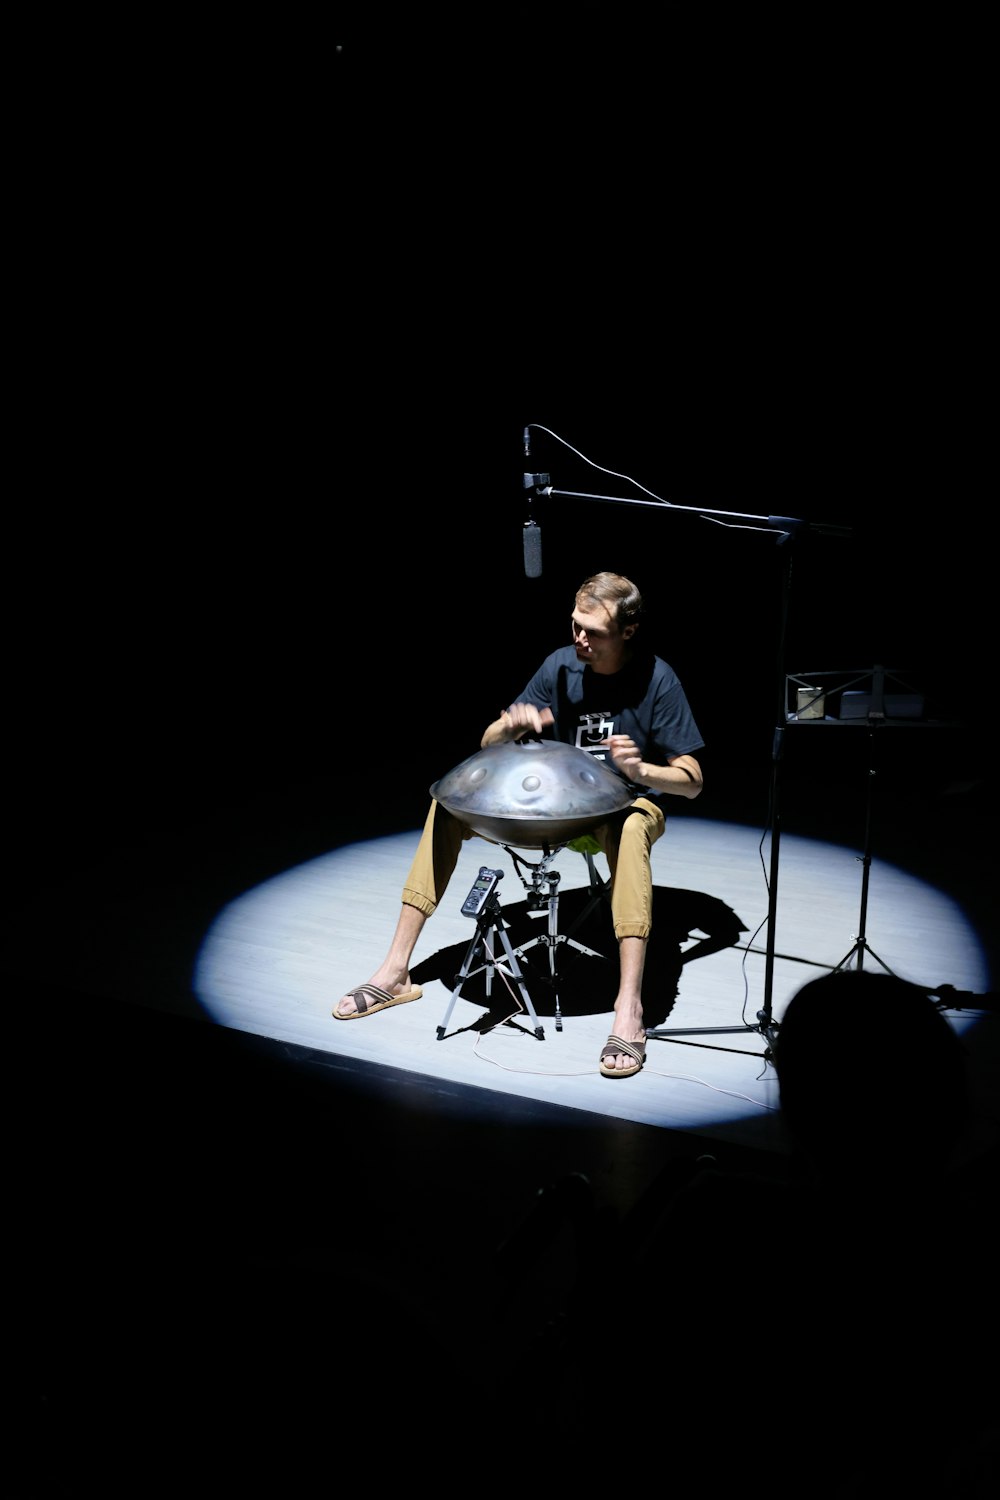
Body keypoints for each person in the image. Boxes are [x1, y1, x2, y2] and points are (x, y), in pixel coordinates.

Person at [335, 570, 705, 1077]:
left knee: (633, 827)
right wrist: (509, 724)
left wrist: (642, 771)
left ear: (628, 631)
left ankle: (629, 1008)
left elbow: (692, 781)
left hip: (619, 810)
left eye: (593, 632)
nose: (579, 639)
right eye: (575, 625)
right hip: (554, 811)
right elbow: (490, 742)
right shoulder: (560, 665)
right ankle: (396, 970)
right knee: (446, 806)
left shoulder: (658, 679)